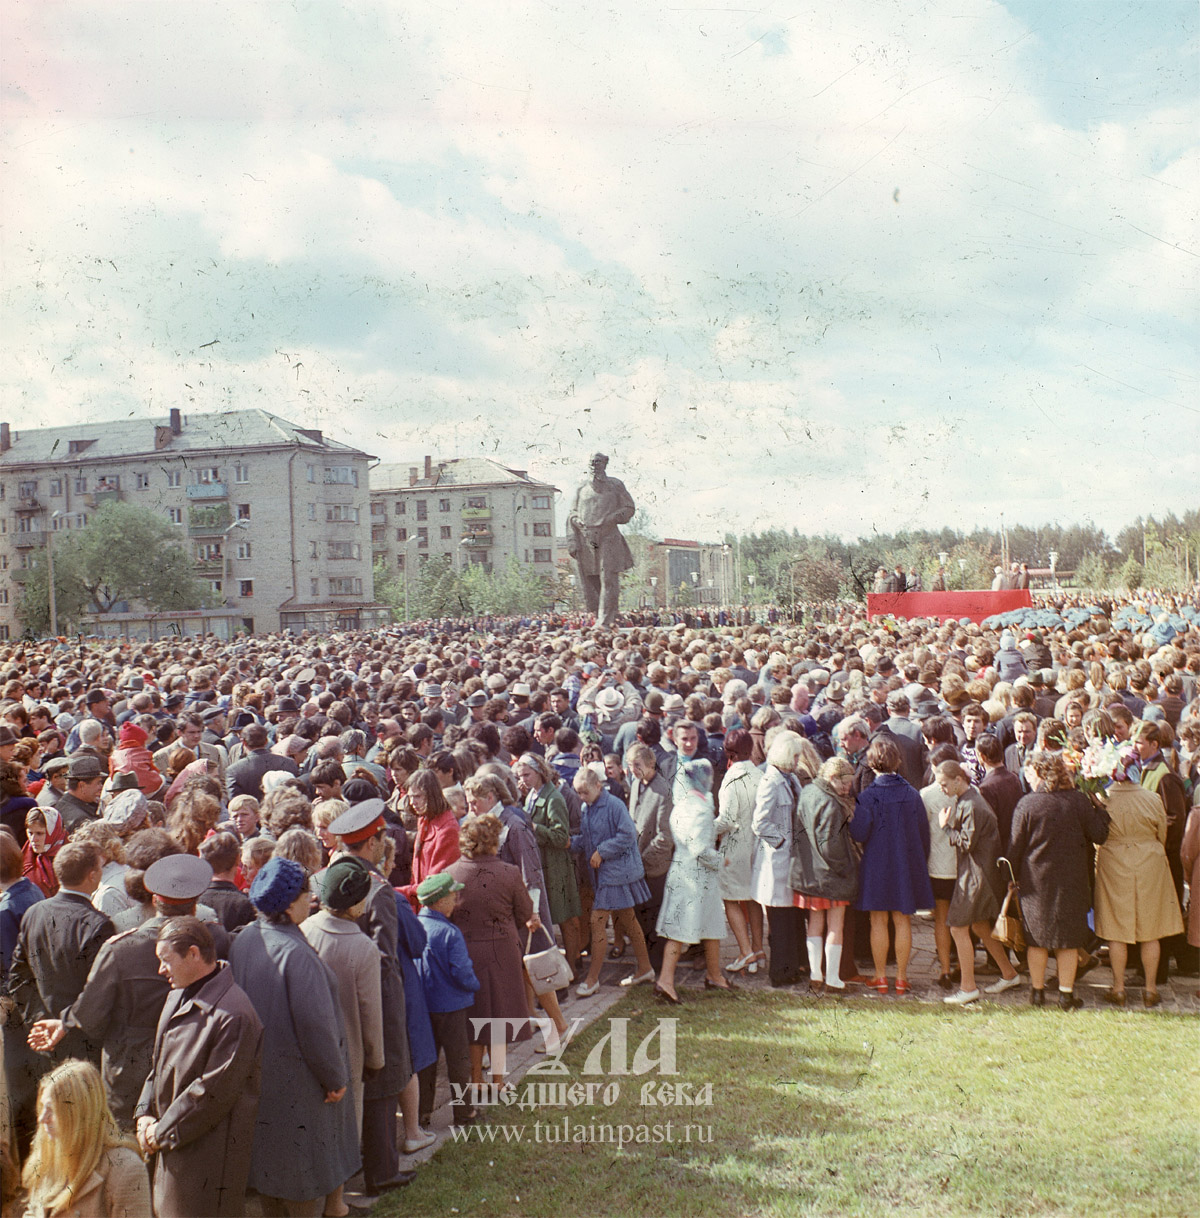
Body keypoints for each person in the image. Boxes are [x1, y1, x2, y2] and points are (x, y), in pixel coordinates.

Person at [230, 857, 361, 1216]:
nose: (311, 900)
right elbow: (316, 1027)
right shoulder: (296, 955)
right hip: (302, 1084)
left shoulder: (246, 938)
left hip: (262, 1077)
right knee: (302, 1182)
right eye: (306, 894)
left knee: (272, 1177)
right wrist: (334, 1079)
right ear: (289, 905)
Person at [135, 917, 263, 1218]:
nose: (160, 970)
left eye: (166, 960)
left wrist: (158, 1133)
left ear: (194, 954)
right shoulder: (176, 996)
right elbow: (157, 1064)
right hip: (170, 1143)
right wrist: (143, 1114)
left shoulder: (235, 1015)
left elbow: (210, 1095)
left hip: (206, 1160)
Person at [323, 800, 418, 1196]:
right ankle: (382, 1170)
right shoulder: (377, 889)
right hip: (375, 995)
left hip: (337, 989)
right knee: (384, 1077)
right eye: (381, 838)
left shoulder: (334, 873)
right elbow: (384, 957)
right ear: (373, 842)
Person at [5, 841, 114, 1153]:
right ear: (92, 876)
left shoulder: (35, 912)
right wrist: (61, 1025)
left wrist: (40, 1022)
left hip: (41, 1040)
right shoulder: (98, 925)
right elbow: (99, 993)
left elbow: (18, 976)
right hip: (82, 1043)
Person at [302, 857, 384, 1216]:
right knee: (341, 1130)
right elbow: (371, 1013)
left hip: (305, 1049)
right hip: (346, 1054)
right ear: (354, 904)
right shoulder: (363, 948)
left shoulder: (304, 929)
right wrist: (375, 1058)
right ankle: (335, 1205)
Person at [1008, 751, 1110, 1010]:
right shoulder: (1078, 801)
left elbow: (1015, 848)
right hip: (1072, 880)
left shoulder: (1027, 804)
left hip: (1035, 882)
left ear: (1041, 775)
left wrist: (1010, 878)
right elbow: (1099, 835)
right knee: (1068, 941)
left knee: (1037, 939)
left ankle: (1037, 992)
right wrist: (1101, 810)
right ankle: (1066, 995)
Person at [446, 815, 538, 1085]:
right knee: (498, 1017)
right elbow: (524, 912)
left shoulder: (450, 874)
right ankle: (498, 1078)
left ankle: (475, 1078)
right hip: (502, 952)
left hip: (466, 953)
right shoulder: (509, 873)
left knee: (474, 1018)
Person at [1094, 747, 1184, 1008]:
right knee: (1151, 929)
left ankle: (1119, 988)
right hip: (1149, 862)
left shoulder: (1104, 798)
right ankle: (1150, 989)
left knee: (1116, 928)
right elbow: (1162, 835)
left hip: (1114, 863)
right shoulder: (1151, 798)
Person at [849, 736, 934, 996]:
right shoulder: (912, 794)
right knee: (902, 921)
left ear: (872, 764)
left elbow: (859, 833)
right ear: (898, 760)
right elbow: (924, 836)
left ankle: (880, 977)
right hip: (905, 865)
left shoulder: (868, 796)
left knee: (877, 921)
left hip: (876, 864)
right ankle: (901, 978)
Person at [933, 761, 1020, 1005]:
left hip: (975, 877)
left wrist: (945, 827)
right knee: (981, 926)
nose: (942, 789)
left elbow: (966, 842)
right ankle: (1009, 974)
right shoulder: (969, 799)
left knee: (958, 927)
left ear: (958, 780)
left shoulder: (971, 804)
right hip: (980, 874)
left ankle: (968, 988)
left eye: (944, 784)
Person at [21, 1059, 150, 1218]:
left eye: (52, 1110)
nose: (42, 1118)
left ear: (78, 1115)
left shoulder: (125, 1169)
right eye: (43, 1107)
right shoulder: (47, 1156)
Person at [571, 766, 654, 995]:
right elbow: (587, 839)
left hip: (618, 873)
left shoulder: (615, 805)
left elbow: (628, 835)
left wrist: (602, 851)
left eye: (584, 792)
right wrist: (571, 843)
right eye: (578, 793)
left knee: (597, 921)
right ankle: (645, 968)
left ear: (598, 785)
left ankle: (592, 978)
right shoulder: (586, 808)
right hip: (606, 873)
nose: (581, 797)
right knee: (628, 918)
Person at [654, 760, 732, 1002]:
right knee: (682, 930)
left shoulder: (684, 805)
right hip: (695, 878)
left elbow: (696, 833)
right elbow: (699, 847)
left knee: (710, 925)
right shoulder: (699, 808)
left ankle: (714, 975)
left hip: (684, 873)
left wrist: (722, 825)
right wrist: (722, 861)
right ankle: (665, 982)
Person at [415, 871, 480, 1126]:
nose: (456, 900)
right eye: (453, 896)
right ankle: (464, 1113)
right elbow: (462, 972)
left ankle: (422, 1112)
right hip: (452, 1007)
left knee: (426, 1063)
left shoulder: (416, 926)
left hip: (424, 1006)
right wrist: (474, 986)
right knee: (458, 1062)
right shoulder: (450, 933)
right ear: (440, 902)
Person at [791, 756, 859, 996]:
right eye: (844, 782)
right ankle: (833, 980)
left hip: (808, 871)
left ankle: (815, 976)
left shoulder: (808, 791)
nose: (847, 788)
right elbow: (831, 847)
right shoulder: (831, 804)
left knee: (815, 923)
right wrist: (846, 869)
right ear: (831, 778)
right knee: (835, 926)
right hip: (831, 874)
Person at [515, 752, 583, 971]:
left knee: (566, 920)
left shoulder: (553, 798)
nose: (523, 779)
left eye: (527, 774)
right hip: (543, 865)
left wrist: (536, 829)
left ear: (539, 772)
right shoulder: (533, 795)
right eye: (521, 775)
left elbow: (562, 837)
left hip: (556, 867)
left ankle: (573, 966)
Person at [750, 731, 808, 987]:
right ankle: (781, 972)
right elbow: (759, 823)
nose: (797, 760)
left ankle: (795, 965)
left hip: (791, 860)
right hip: (777, 862)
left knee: (793, 918)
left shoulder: (791, 778)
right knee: (780, 921)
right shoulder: (771, 781)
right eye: (795, 755)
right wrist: (782, 841)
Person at [713, 729, 764, 974]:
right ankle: (757, 947)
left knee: (731, 898)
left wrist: (705, 830)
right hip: (757, 845)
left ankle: (745, 951)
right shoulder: (759, 773)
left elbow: (726, 819)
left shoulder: (732, 777)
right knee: (752, 898)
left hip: (735, 845)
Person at [565, 452, 636, 627]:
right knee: (592, 579)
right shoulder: (581, 488)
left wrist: (612, 518)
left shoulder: (615, 485)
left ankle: (604, 620)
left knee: (608, 577)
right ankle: (610, 614)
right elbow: (572, 513)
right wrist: (576, 523)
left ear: (605, 463)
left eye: (597, 462)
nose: (593, 465)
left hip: (608, 537)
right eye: (591, 462)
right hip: (587, 538)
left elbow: (629, 508)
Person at [398, 770, 461, 912]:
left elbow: (435, 885)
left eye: (418, 796)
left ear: (431, 795)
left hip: (435, 908)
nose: (413, 802)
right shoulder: (425, 818)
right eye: (410, 797)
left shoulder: (448, 830)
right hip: (421, 903)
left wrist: (397, 893)